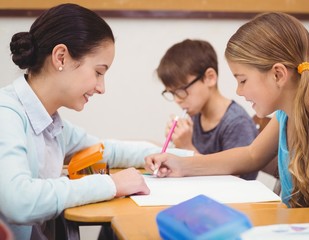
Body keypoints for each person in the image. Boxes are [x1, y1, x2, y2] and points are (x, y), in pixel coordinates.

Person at [0, 4, 192, 240]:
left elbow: (107, 150)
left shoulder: (51, 124)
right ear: (61, 57)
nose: (102, 88)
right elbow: (19, 202)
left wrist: (185, 160)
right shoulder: (6, 113)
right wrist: (111, 184)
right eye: (99, 72)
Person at [145, 12, 309, 208]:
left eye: (242, 80)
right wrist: (182, 165)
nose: (238, 91)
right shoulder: (288, 111)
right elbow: (251, 155)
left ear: (278, 75)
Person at [157, 39, 258, 180]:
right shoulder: (196, 115)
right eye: (172, 93)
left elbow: (233, 181)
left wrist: (187, 147)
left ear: (210, 78)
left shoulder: (237, 123)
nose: (177, 99)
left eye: (181, 90)